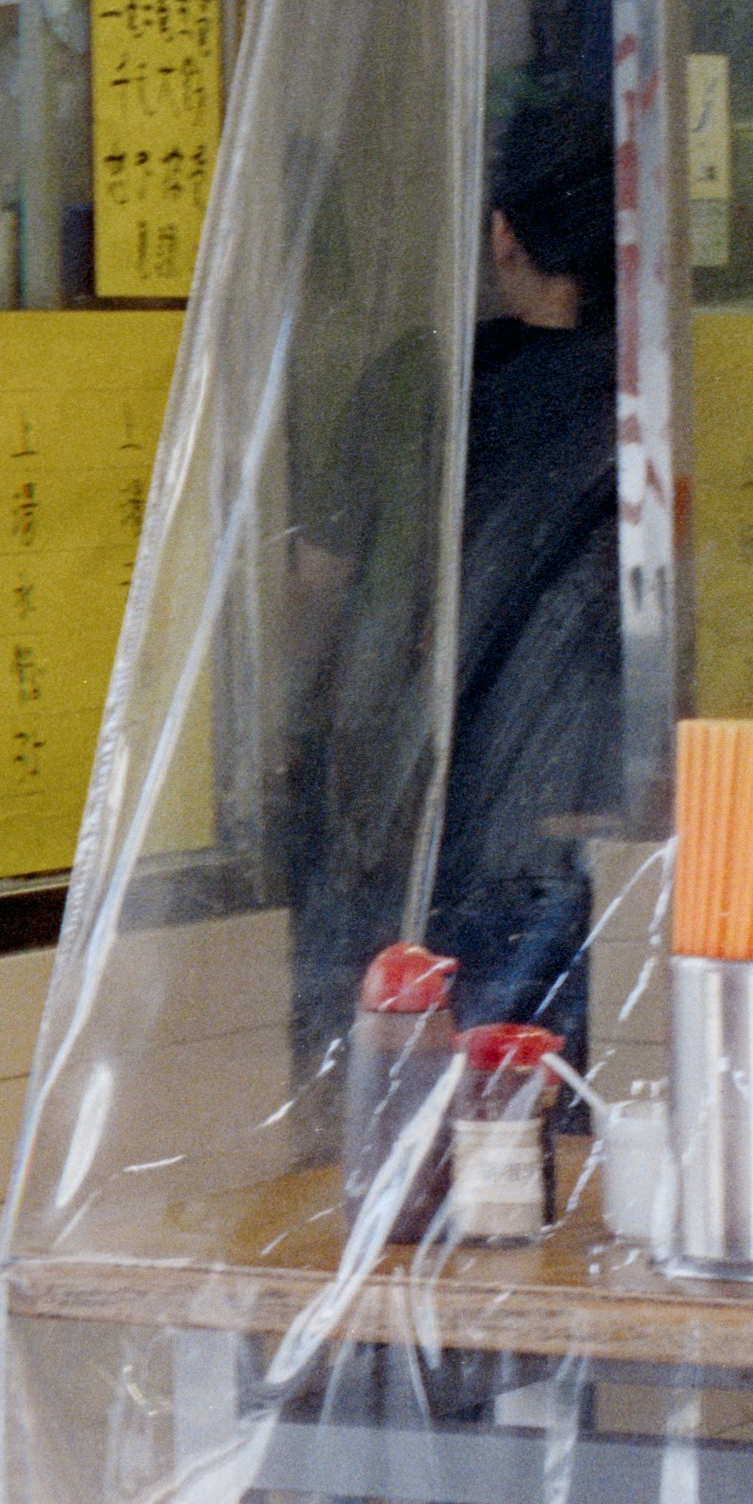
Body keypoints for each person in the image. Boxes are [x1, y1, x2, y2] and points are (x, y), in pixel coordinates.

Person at [283, 98, 620, 1071]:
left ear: (501, 235)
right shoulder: (647, 389)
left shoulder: (420, 385)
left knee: (441, 1121)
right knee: (564, 1121)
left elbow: (317, 582)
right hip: (608, 835)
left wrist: (288, 731)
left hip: (453, 833)